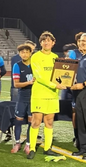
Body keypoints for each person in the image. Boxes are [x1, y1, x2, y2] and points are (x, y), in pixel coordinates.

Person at [27, 31, 66, 159]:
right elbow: (39, 76)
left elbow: (59, 75)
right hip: (39, 93)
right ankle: (32, 148)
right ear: (41, 43)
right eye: (44, 40)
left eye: (49, 40)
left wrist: (64, 81)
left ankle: (47, 148)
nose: (46, 42)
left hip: (53, 95)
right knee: (36, 122)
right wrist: (55, 85)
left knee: (49, 122)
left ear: (53, 43)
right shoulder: (36, 57)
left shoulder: (56, 57)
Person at [11, 44, 35, 154]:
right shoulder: (17, 65)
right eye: (22, 52)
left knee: (31, 121)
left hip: (34, 97)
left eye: (26, 52)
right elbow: (16, 84)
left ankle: (29, 144)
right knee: (18, 121)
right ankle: (17, 143)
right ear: (19, 54)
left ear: (31, 53)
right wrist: (29, 83)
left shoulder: (35, 65)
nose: (24, 54)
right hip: (22, 97)